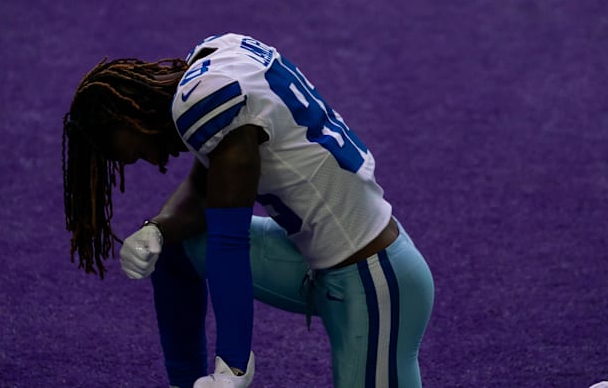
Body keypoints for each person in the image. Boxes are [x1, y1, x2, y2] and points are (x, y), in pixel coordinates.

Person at [62, 33, 435, 388]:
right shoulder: (214, 58)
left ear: (130, 117)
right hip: (319, 264)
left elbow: (229, 238)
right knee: (173, 248)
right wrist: (157, 230)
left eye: (130, 152)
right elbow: (207, 189)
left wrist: (232, 365)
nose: (143, 160)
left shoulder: (203, 106)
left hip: (374, 281)